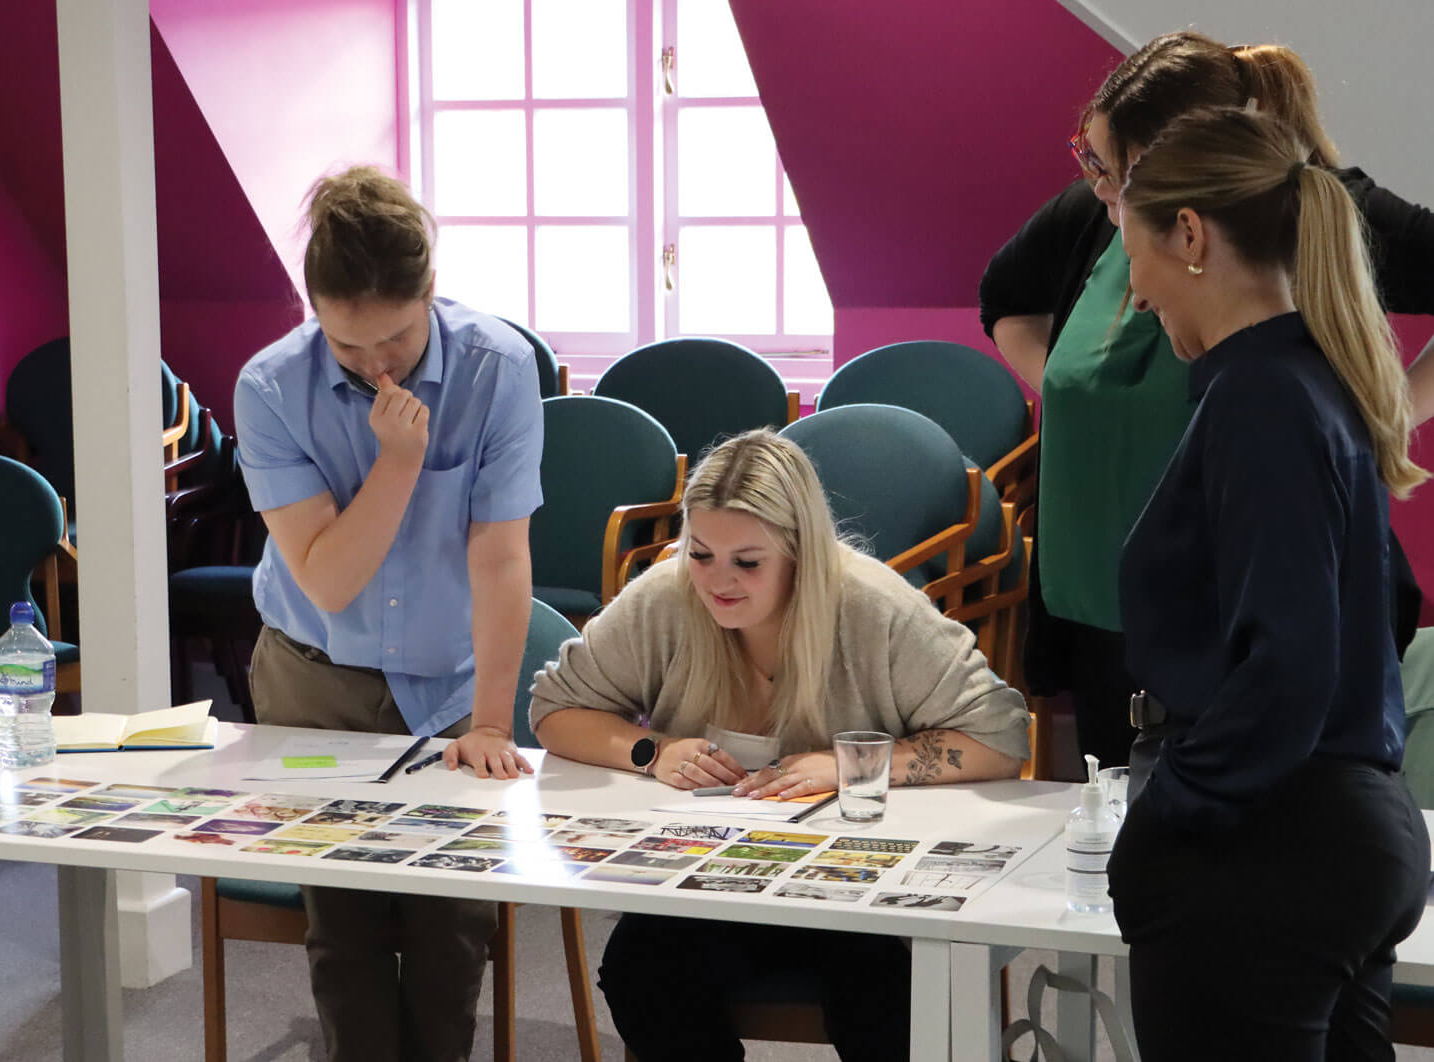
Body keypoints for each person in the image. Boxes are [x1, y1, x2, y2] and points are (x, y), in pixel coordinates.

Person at [979, 31, 1434, 768]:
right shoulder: (1097, 222)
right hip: (1114, 610)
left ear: (1186, 217)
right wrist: (1072, 392)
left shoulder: (1268, 390)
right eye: (1088, 159)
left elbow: (1284, 693)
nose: (1096, 185)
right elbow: (1004, 297)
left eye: (1113, 168)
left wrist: (1387, 412)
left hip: (1232, 633)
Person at [529, 429, 1029, 1062]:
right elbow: (555, 708)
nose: (718, 581)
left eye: (748, 562)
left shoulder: (874, 608)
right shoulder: (667, 596)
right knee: (641, 972)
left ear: (800, 553)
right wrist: (650, 751)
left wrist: (849, 766)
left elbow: (1001, 737)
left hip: (857, 887)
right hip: (705, 881)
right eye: (701, 553)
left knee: (882, 997)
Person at [1107, 106, 1431, 1060]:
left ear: (1190, 235)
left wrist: (1169, 817)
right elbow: (1389, 604)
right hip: (1343, 833)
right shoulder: (1315, 382)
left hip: (1268, 847)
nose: (1135, 293)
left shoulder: (1261, 398)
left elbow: (1289, 664)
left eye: (1132, 255)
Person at [234, 165, 543, 1061]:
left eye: (397, 340)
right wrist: (400, 462)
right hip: (316, 676)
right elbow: (329, 580)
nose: (377, 366)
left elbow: (499, 555)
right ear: (313, 314)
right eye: (347, 345)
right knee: (346, 929)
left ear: (431, 291)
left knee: (452, 927)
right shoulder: (269, 388)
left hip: (449, 682)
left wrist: (491, 721)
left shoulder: (498, 367)